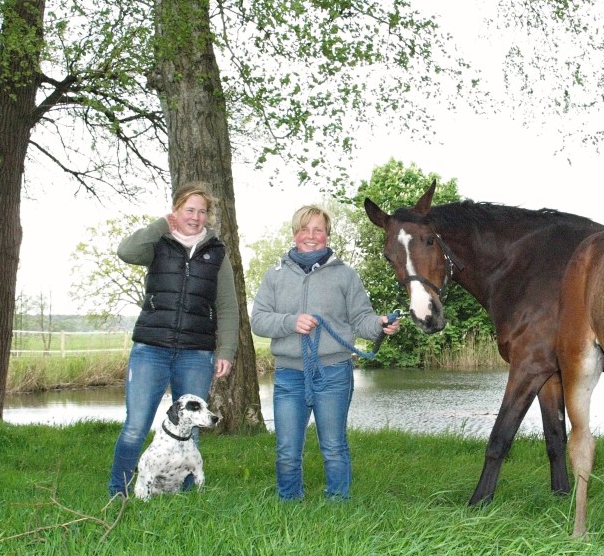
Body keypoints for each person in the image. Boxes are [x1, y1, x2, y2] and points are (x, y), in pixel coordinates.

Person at [251, 204, 400, 501]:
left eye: (318, 229)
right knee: (287, 450)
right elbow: (258, 320)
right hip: (288, 374)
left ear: (327, 236)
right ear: (295, 234)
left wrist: (380, 324)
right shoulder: (274, 275)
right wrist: (291, 322)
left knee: (333, 446)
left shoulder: (345, 275)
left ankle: (337, 505)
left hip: (334, 372)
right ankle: (289, 503)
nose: (311, 235)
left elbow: (361, 319)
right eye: (304, 229)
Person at [108, 181, 239, 497]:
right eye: (189, 210)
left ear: (207, 216)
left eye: (201, 211)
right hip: (150, 350)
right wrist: (159, 225)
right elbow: (125, 251)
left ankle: (188, 493)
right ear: (176, 211)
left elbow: (228, 306)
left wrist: (226, 350)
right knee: (136, 426)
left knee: (191, 429)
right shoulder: (157, 244)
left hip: (196, 353)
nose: (195, 217)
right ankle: (119, 492)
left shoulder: (217, 252)